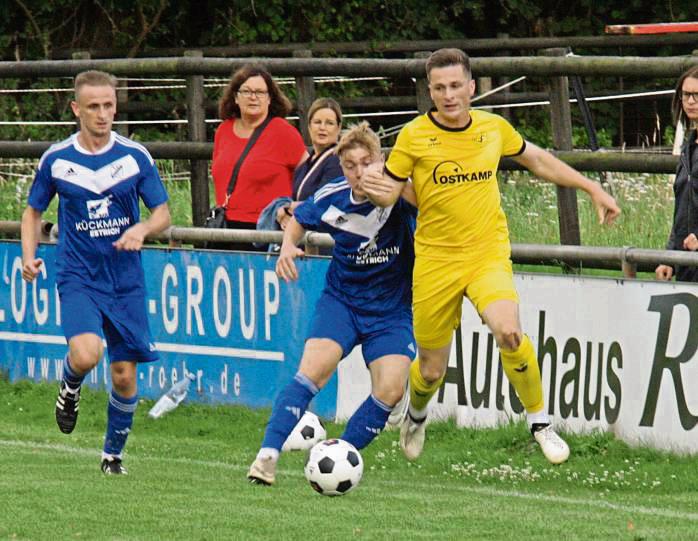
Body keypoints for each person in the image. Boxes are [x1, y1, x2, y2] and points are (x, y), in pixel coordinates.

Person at [363, 48, 621, 465]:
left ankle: (540, 423)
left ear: (471, 87)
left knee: (509, 332)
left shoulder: (493, 127)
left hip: (487, 254)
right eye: (439, 88)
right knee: (430, 369)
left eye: (455, 86)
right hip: (435, 261)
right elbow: (392, 191)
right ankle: (417, 411)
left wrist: (592, 188)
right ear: (430, 91)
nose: (448, 95)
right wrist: (373, 184)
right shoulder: (413, 136)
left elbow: (537, 159)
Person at [247, 122, 417, 485]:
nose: (360, 172)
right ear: (342, 168)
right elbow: (300, 219)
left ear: (381, 161)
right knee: (311, 373)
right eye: (351, 165)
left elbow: (436, 207)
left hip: (390, 311)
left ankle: (337, 457)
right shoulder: (332, 195)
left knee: (390, 389)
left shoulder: (402, 193)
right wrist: (289, 244)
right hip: (342, 303)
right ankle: (267, 457)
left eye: (367, 162)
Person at [20, 70, 171, 475]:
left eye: (108, 105)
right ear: (76, 109)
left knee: (124, 376)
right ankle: (70, 385)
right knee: (87, 354)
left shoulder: (135, 156)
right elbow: (33, 211)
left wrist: (142, 228)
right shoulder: (57, 159)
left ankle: (112, 457)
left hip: (125, 279)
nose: (103, 114)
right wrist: (28, 255)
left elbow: (163, 213)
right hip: (78, 274)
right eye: (93, 107)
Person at [211, 64, 308, 251]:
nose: (253, 97)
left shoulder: (283, 132)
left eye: (260, 92)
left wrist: (292, 212)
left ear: (270, 98)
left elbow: (308, 178)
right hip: (226, 229)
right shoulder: (223, 131)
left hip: (268, 230)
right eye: (246, 91)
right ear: (236, 97)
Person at [656, 66, 698, 283]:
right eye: (686, 95)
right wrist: (669, 256)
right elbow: (681, 210)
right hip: (686, 262)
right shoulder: (687, 148)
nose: (690, 101)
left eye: (697, 95)